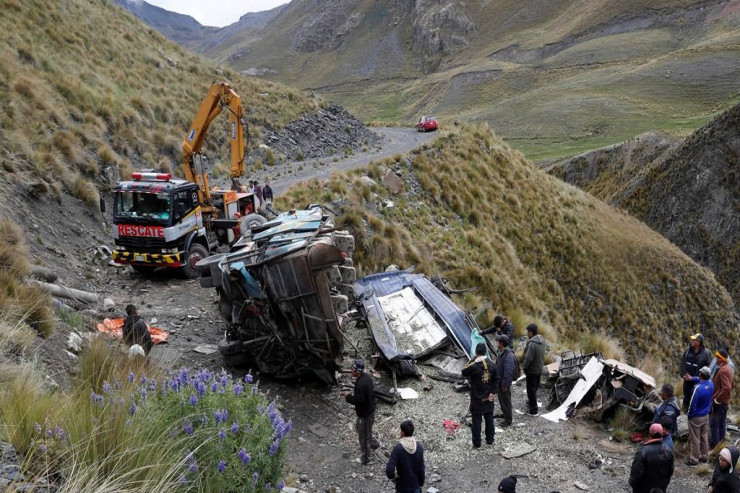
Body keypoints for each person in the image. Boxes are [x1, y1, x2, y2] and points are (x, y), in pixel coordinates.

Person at [461, 342, 498, 448]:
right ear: (485, 352)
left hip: (477, 398)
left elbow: (463, 371)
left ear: (476, 353)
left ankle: (477, 443)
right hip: (488, 397)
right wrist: (493, 392)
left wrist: (472, 359)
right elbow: (497, 379)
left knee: (477, 421)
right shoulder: (491, 364)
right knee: (489, 419)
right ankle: (490, 440)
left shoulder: (473, 366)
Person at [343, 359, 379, 465]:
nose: (350, 370)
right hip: (369, 410)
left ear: (356, 371)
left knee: (363, 436)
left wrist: (347, 396)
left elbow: (358, 400)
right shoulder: (366, 377)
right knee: (362, 430)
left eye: (352, 369)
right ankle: (375, 444)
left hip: (365, 415)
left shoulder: (360, 384)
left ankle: (366, 458)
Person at [628, 422, 674, 493]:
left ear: (650, 434)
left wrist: (632, 482)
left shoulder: (643, 451)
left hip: (643, 488)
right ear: (662, 433)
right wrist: (664, 484)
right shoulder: (668, 450)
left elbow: (637, 470)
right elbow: (670, 470)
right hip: (660, 488)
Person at [684, 366, 714, 466]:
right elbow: (700, 379)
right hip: (706, 415)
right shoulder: (711, 384)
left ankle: (694, 459)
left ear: (701, 374)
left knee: (695, 438)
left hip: (696, 417)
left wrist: (689, 415)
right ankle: (704, 456)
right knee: (704, 436)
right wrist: (692, 378)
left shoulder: (697, 389)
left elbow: (692, 404)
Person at [385, 420, 425, 493]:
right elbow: (421, 469)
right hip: (415, 487)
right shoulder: (419, 448)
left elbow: (389, 471)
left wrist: (394, 478)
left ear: (402, 433)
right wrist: (421, 483)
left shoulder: (397, 449)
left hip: (402, 487)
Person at [680, 333, 712, 411]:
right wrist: (682, 374)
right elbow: (682, 362)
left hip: (698, 381)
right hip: (687, 379)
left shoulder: (706, 353)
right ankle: (684, 413)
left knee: (695, 398)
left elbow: (708, 367)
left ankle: (693, 414)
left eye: (694, 340)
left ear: (699, 342)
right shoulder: (687, 350)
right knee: (686, 397)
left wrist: (698, 378)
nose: (692, 341)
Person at [711, 349, 734, 448]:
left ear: (723, 360)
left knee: (714, 424)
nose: (716, 359)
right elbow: (731, 385)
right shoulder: (728, 368)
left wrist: (717, 399)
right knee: (722, 423)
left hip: (720, 403)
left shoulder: (724, 370)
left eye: (718, 358)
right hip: (724, 402)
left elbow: (727, 387)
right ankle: (721, 444)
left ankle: (716, 446)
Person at [521, 323, 544, 416]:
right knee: (534, 388)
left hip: (532, 370)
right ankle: (531, 402)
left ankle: (533, 411)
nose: (527, 334)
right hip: (539, 368)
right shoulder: (542, 341)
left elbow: (528, 358)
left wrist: (524, 367)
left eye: (528, 332)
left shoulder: (532, 344)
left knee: (530, 390)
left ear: (531, 332)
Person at [494, 334, 515, 427]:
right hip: (500, 382)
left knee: (506, 401)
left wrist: (505, 385)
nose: (497, 343)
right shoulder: (502, 352)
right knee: (502, 400)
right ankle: (505, 414)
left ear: (501, 343)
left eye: (498, 341)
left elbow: (508, 371)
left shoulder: (508, 355)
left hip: (503, 383)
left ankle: (508, 420)